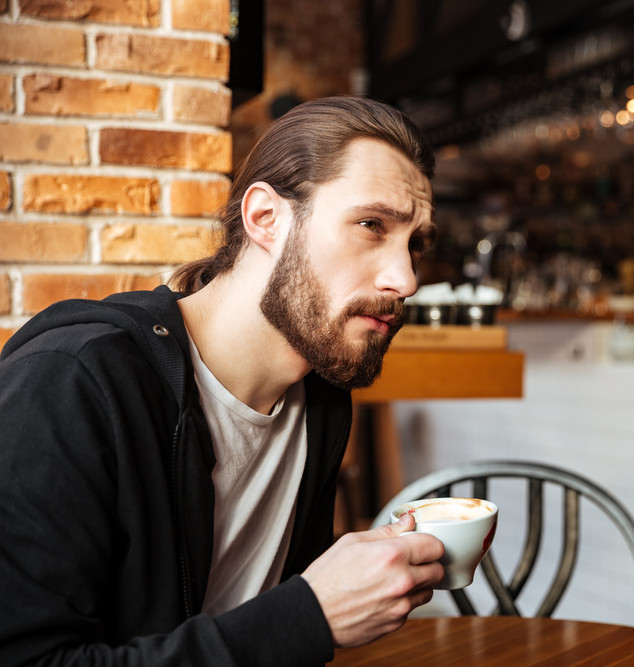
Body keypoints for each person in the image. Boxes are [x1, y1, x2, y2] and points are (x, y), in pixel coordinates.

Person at [0, 96, 447, 666]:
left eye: (416, 245)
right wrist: (308, 614)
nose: (405, 279)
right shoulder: (72, 384)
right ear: (265, 218)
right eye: (370, 225)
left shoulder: (321, 397)